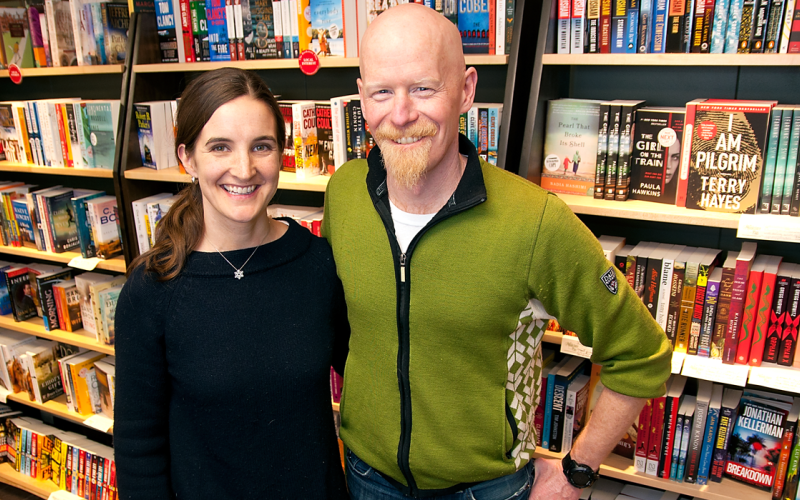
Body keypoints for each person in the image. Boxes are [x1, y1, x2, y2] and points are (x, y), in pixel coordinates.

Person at [321, 4, 672, 500]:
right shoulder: (345, 194)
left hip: (485, 490)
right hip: (366, 478)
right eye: (382, 91)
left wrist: (578, 469)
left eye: (423, 88)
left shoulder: (535, 222)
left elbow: (642, 355)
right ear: (362, 97)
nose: (399, 115)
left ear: (466, 91)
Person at [114, 68, 349, 500]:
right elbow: (137, 448)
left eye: (261, 146)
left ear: (281, 154)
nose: (244, 169)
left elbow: (368, 370)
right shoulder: (153, 292)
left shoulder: (316, 262)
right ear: (188, 158)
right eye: (220, 147)